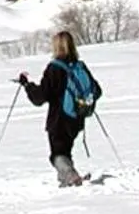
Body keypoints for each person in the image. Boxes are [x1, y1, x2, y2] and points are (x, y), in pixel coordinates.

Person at [17, 30, 96, 186]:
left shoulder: (54, 68)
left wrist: (27, 85)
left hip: (59, 119)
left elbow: (40, 97)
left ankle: (70, 176)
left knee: (57, 154)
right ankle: (65, 180)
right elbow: (97, 90)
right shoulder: (79, 66)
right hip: (77, 118)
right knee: (65, 151)